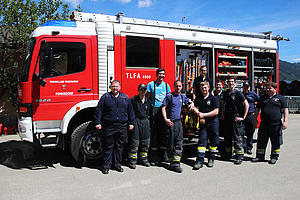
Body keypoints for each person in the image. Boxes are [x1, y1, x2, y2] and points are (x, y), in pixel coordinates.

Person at [94, 80, 135, 174]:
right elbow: (99, 110)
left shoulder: (125, 97)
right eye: (113, 86)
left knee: (119, 146)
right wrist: (98, 122)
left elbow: (130, 111)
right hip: (109, 126)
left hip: (122, 126)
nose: (115, 88)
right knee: (108, 147)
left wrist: (131, 123)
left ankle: (117, 165)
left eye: (116, 86)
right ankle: (106, 166)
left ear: (120, 87)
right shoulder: (105, 97)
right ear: (110, 87)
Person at [252, 82, 288, 164]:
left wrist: (285, 121)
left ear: (275, 89)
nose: (267, 90)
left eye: (269, 88)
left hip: (276, 124)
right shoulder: (263, 98)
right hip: (264, 124)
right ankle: (259, 156)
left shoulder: (281, 98)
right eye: (267, 88)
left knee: (275, 141)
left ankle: (274, 157)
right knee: (261, 140)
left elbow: (285, 110)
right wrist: (255, 119)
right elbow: (257, 109)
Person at [161, 80, 193, 173]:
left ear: (181, 87)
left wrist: (192, 103)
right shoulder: (169, 96)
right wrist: (166, 119)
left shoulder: (182, 96)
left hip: (179, 123)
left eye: (179, 86)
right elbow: (163, 108)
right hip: (170, 122)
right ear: (174, 86)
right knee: (171, 143)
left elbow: (189, 101)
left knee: (179, 142)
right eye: (176, 86)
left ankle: (176, 163)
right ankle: (172, 161)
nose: (178, 87)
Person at [221, 77, 249, 165]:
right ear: (227, 84)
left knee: (238, 138)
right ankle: (228, 154)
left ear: (235, 84)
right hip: (227, 118)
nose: (231, 83)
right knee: (227, 137)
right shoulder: (225, 93)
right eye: (229, 82)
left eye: (232, 82)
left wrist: (243, 117)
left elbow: (246, 105)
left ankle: (239, 156)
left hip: (236, 118)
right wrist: (222, 114)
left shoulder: (238, 93)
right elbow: (222, 104)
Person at [147, 68, 171, 165]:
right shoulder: (151, 85)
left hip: (163, 110)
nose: (161, 76)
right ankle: (153, 157)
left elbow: (169, 99)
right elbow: (148, 97)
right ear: (156, 75)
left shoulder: (166, 86)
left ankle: (163, 156)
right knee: (154, 135)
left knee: (164, 134)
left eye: (163, 74)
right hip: (154, 110)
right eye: (160, 74)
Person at [193, 81, 220, 169]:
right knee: (202, 141)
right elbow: (194, 106)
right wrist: (198, 113)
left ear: (208, 88)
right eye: (202, 88)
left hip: (213, 122)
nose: (204, 89)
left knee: (213, 141)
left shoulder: (214, 98)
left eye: (205, 87)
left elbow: (216, 111)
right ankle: (200, 160)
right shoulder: (199, 98)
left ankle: (211, 159)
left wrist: (204, 115)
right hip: (203, 124)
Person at [128, 84, 151, 169]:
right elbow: (130, 112)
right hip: (136, 121)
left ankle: (144, 160)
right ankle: (132, 161)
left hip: (145, 122)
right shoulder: (134, 100)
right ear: (138, 90)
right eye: (141, 90)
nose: (143, 91)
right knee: (135, 142)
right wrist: (131, 122)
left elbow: (149, 112)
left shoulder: (148, 101)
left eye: (144, 90)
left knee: (145, 142)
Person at [242, 82, 260, 154]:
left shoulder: (253, 94)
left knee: (250, 132)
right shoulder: (240, 94)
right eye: (245, 87)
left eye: (247, 87)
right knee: (241, 132)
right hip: (242, 116)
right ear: (242, 87)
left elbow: (260, 101)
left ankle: (249, 147)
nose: (246, 88)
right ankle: (243, 147)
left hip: (250, 115)